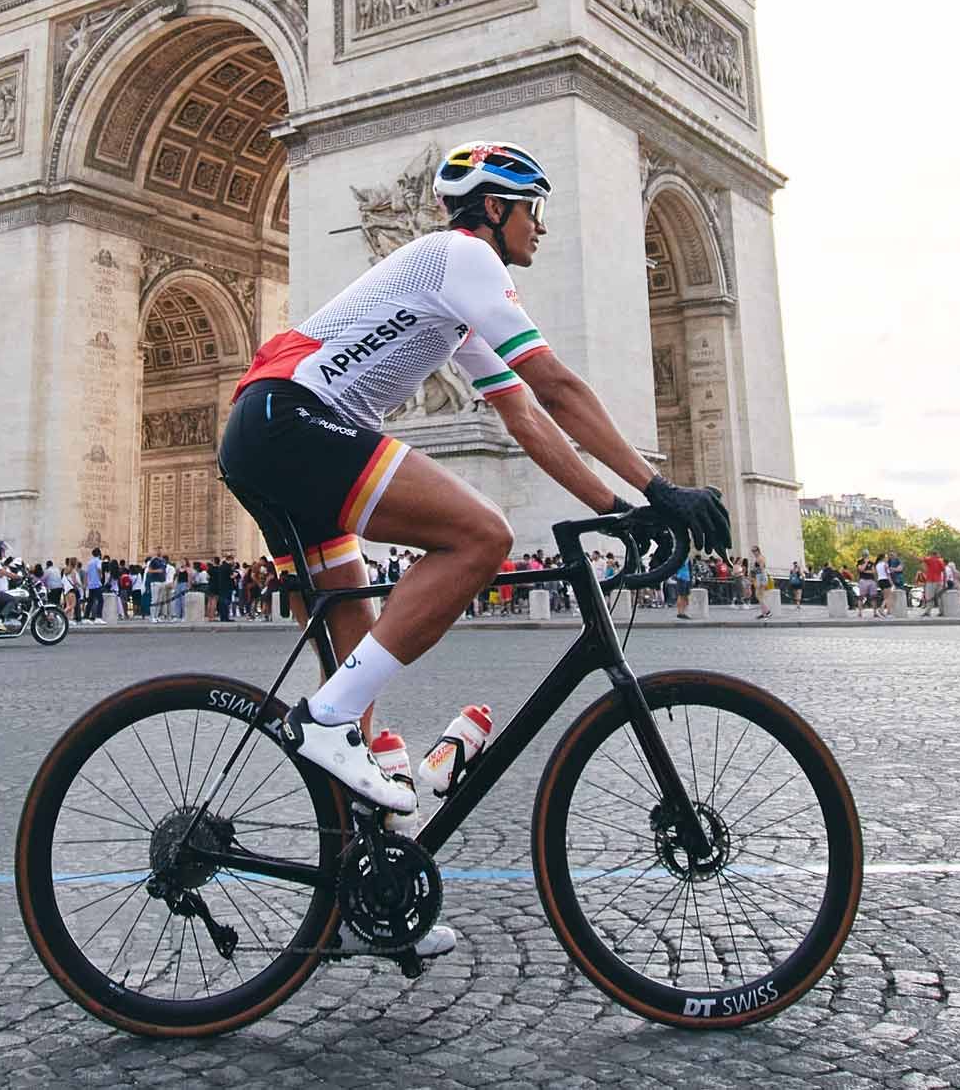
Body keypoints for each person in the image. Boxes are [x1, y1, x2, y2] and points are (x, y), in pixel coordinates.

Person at [213, 141, 728, 962]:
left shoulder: (452, 297)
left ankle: (361, 903)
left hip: (269, 434)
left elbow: (526, 417)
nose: (541, 227)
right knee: (482, 535)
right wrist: (660, 487)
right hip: (294, 422)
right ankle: (326, 719)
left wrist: (618, 508)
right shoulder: (464, 256)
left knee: (357, 685)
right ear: (494, 208)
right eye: (533, 210)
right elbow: (558, 384)